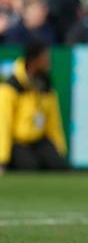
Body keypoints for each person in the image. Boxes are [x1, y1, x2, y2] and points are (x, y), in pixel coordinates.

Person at [0, 43, 68, 173]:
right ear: (34, 60)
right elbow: (3, 123)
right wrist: (2, 159)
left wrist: (59, 150)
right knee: (29, 167)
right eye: (45, 57)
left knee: (59, 166)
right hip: (18, 141)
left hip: (39, 140)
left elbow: (54, 121)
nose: (48, 61)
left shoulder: (45, 84)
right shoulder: (12, 87)